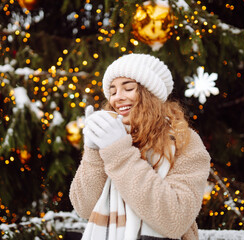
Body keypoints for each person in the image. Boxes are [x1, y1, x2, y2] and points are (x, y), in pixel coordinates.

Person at [69, 53, 211, 240]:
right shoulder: (111, 139)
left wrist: (119, 152)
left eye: (128, 88)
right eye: (112, 92)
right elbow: (84, 207)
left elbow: (174, 220)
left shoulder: (184, 141)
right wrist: (93, 150)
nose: (117, 98)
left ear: (150, 94)